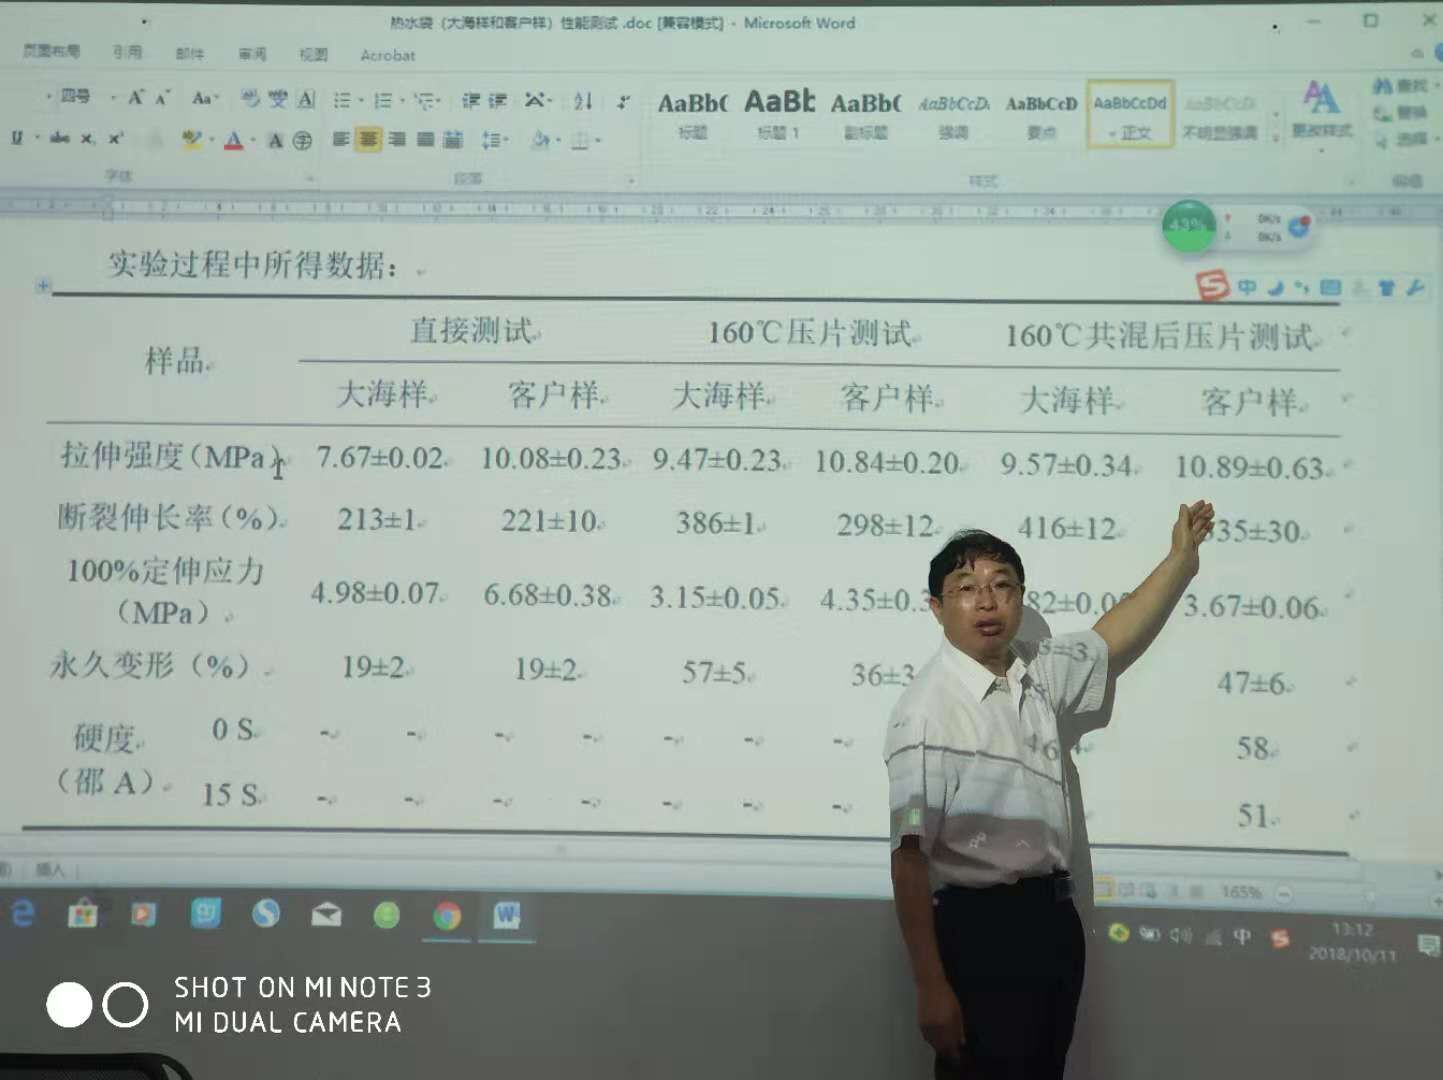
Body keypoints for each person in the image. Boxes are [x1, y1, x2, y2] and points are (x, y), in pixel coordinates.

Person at [885, 500, 1215, 1079]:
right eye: (966, 588)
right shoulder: (926, 711)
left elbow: (1111, 637)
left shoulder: (1035, 671)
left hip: (1052, 923)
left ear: (1020, 596)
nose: (987, 601)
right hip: (980, 931)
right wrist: (931, 986)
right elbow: (909, 858)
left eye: (1002, 585)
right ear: (937, 607)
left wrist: (1179, 562)